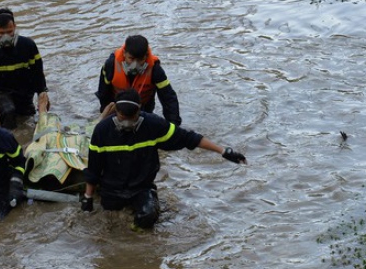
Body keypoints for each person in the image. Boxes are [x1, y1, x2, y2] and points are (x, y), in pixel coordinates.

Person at [81, 89, 247, 229]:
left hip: (141, 187)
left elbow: (188, 138)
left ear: (139, 109)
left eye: (132, 117)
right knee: (107, 224)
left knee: (147, 217)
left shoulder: (153, 125)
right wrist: (88, 198)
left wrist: (223, 151)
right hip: (112, 189)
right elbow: (94, 168)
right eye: (123, 117)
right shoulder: (102, 131)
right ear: (116, 111)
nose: (127, 122)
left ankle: (138, 238)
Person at [95, 35, 181, 125]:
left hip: (143, 107)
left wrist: (174, 125)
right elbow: (103, 93)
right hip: (117, 107)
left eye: (140, 60)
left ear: (146, 56)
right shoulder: (111, 65)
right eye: (131, 59)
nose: (135, 65)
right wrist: (105, 117)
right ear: (124, 53)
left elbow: (168, 98)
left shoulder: (155, 70)